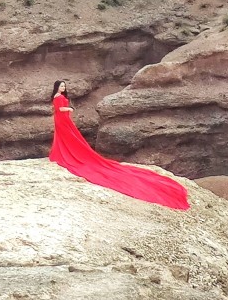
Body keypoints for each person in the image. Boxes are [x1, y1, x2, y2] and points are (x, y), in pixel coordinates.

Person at [49, 80, 189, 210]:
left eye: (64, 86)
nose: (63, 88)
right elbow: (59, 109)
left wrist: (67, 111)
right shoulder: (58, 97)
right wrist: (69, 109)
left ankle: (62, 151)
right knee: (68, 136)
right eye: (61, 86)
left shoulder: (60, 96)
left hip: (62, 120)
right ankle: (64, 152)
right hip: (62, 119)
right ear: (57, 87)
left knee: (67, 137)